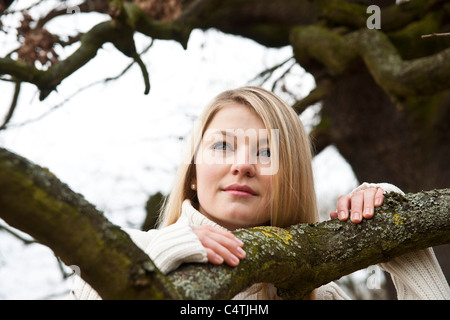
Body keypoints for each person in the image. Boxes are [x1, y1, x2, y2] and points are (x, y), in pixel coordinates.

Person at [71, 86, 449, 300]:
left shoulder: (322, 296)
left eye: (266, 152)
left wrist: (400, 232)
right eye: (222, 146)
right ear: (191, 174)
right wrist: (163, 249)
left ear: (292, 178)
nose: (243, 165)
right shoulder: (125, 249)